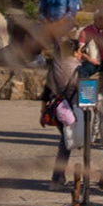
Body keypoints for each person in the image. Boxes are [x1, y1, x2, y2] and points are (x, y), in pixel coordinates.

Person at [43, 37, 83, 191]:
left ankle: (59, 177)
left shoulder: (55, 66)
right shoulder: (78, 67)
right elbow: (83, 88)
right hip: (71, 110)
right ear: (75, 52)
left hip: (57, 108)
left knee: (65, 143)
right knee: (65, 145)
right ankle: (56, 179)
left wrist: (42, 110)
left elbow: (47, 90)